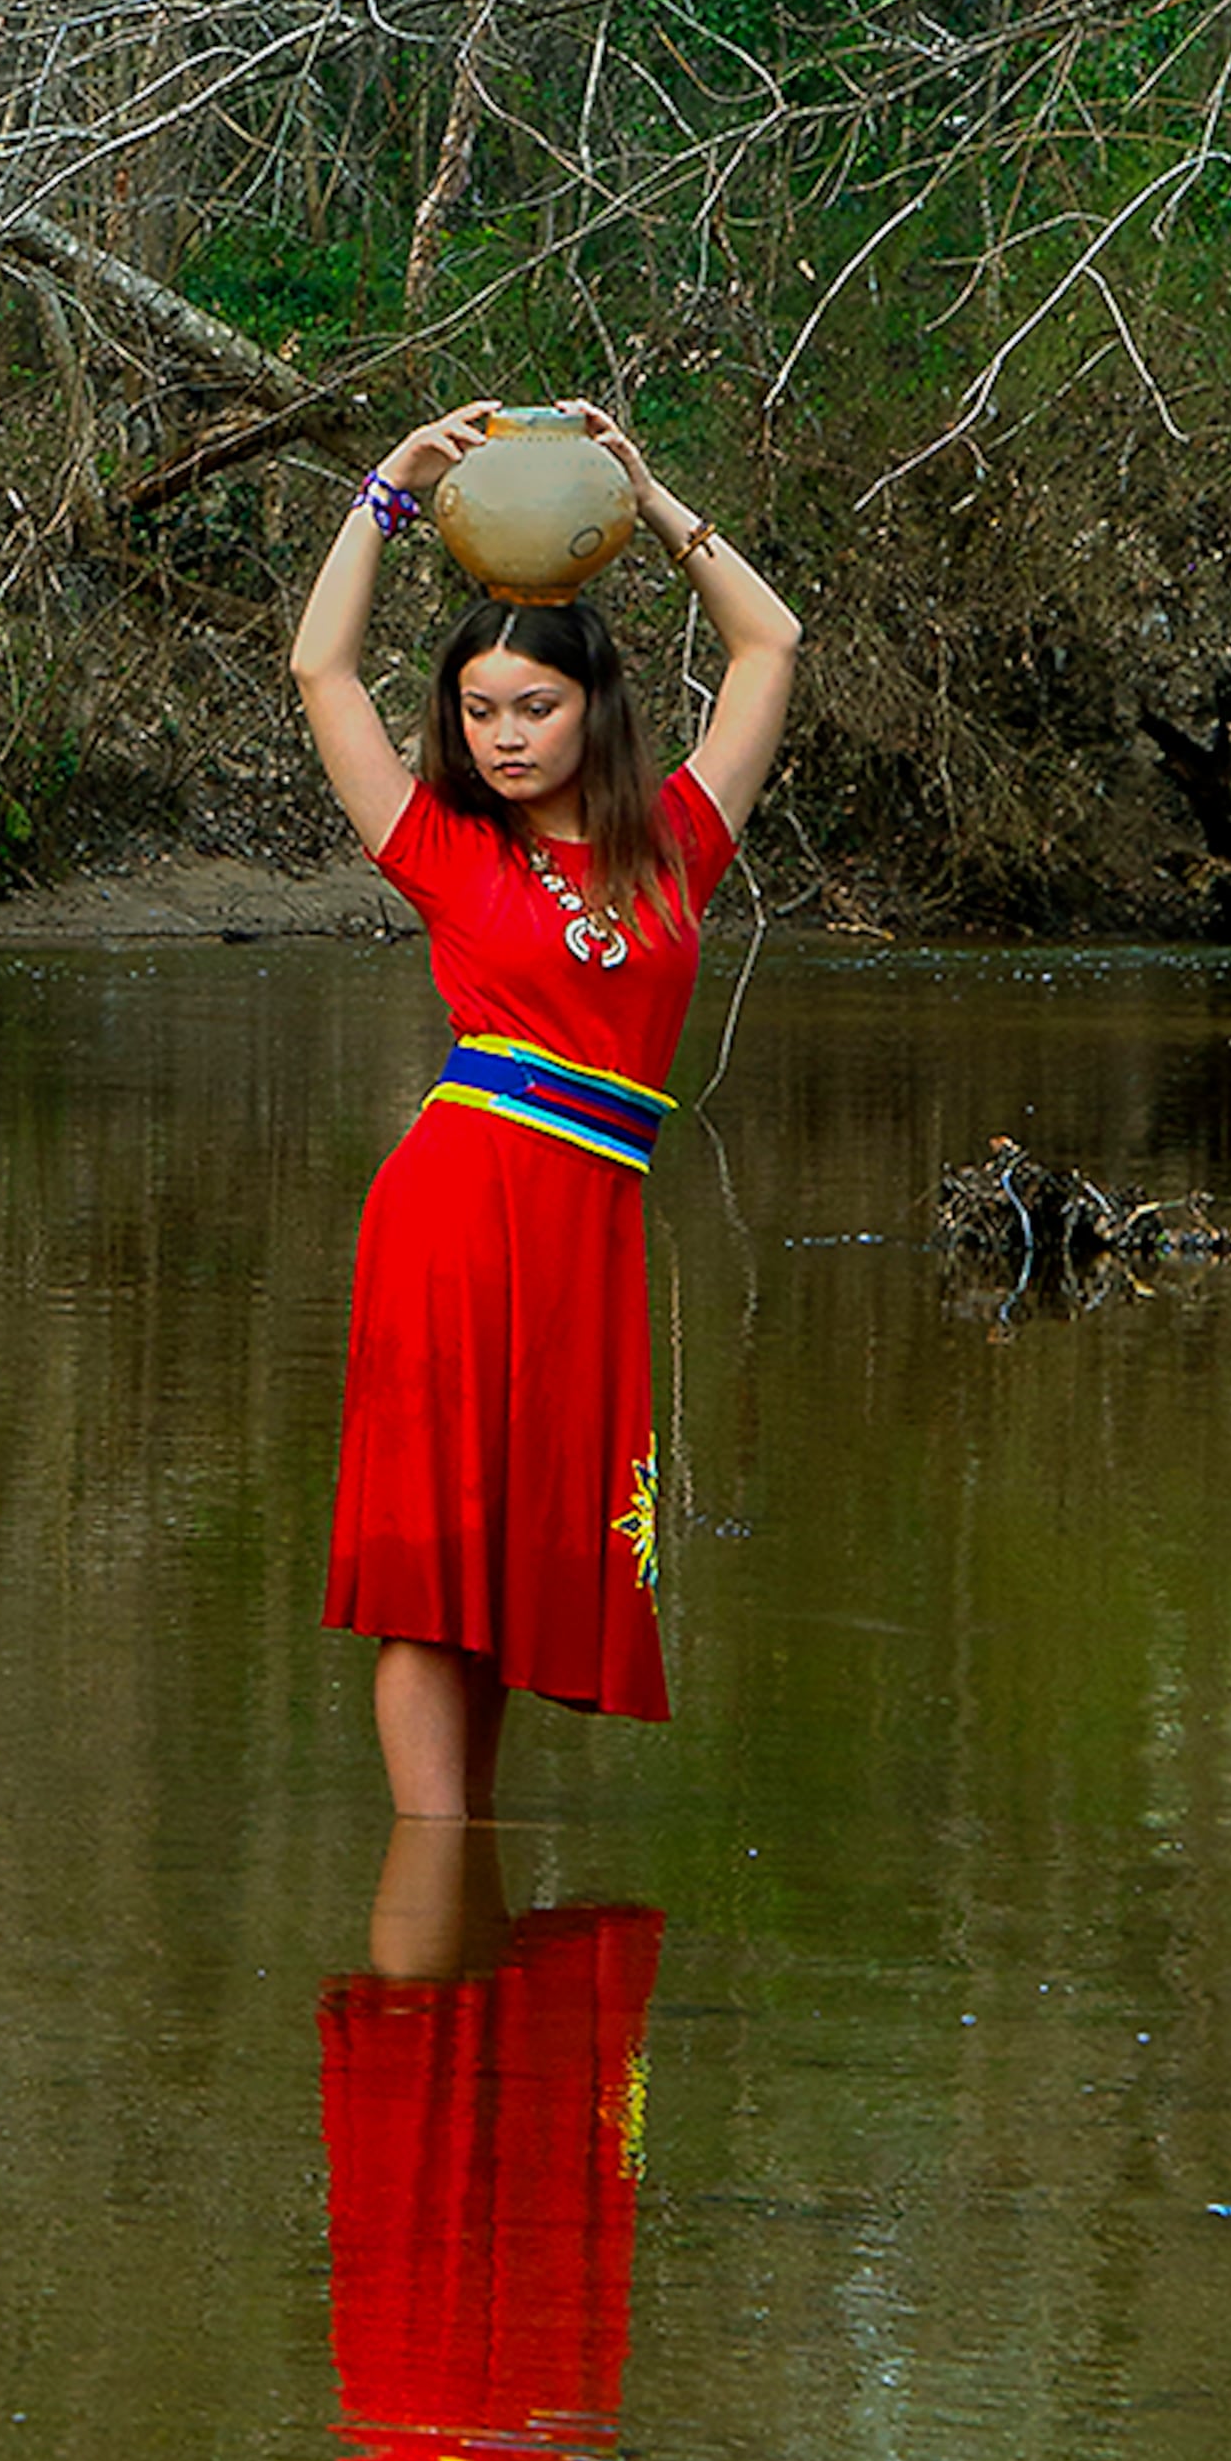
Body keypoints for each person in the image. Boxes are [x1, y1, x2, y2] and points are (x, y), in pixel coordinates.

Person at [290, 405, 802, 1811]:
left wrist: (646, 494)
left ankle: (466, 1893)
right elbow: (319, 665)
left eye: (536, 709)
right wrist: (392, 488)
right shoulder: (447, 851)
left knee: (521, 1564)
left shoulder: (680, 844)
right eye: (479, 713)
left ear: (596, 710)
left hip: (588, 1230)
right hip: (457, 1211)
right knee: (429, 1563)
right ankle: (433, 1863)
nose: (505, 738)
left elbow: (773, 646)